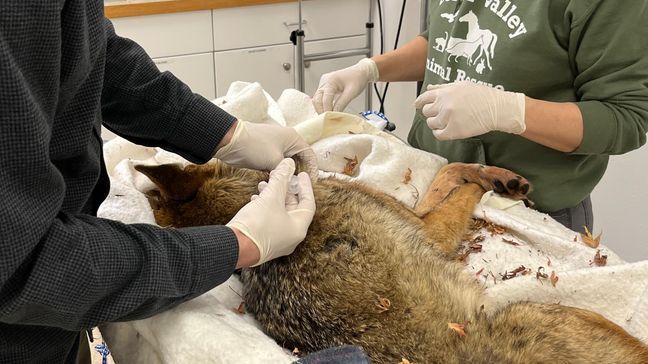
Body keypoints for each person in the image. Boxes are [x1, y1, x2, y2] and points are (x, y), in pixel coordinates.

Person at [0, 2, 322, 363]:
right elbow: (22, 263)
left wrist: (225, 133)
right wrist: (235, 246)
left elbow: (90, 50)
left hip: (57, 326)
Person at [313, 0, 648, 233]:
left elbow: (625, 116)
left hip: (529, 211)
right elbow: (444, 39)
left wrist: (509, 111)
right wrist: (371, 69)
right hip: (431, 183)